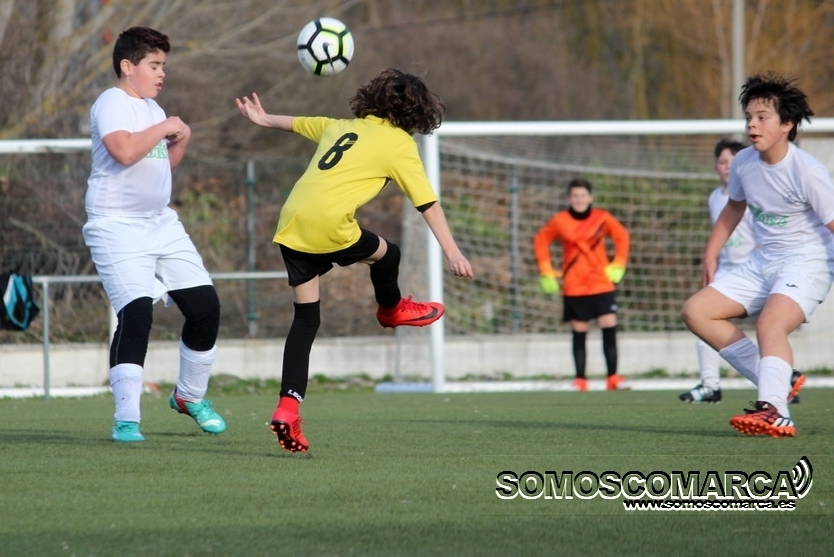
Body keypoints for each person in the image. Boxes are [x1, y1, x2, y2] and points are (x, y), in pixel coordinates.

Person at [235, 68, 474, 453]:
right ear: (417, 111)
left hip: (291, 221)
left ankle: (287, 408)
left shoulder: (340, 126)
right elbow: (427, 203)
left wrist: (263, 119)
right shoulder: (399, 143)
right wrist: (453, 251)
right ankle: (391, 310)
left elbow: (298, 123)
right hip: (328, 224)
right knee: (388, 253)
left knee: (306, 320)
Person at [82, 26, 226, 442]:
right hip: (116, 226)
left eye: (164, 66)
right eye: (154, 65)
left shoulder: (153, 109)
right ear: (128, 66)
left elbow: (161, 166)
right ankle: (126, 418)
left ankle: (188, 396)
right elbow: (125, 151)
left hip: (160, 223)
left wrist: (181, 139)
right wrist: (165, 129)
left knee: (206, 307)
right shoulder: (112, 102)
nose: (162, 73)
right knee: (137, 313)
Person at [682, 73, 827, 438]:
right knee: (697, 311)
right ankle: (779, 379)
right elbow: (734, 207)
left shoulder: (807, 171)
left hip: (808, 261)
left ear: (787, 124)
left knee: (770, 324)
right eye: (748, 117)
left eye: (762, 117)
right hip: (764, 261)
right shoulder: (744, 162)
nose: (752, 125)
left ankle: (775, 411)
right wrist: (711, 254)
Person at [533, 178, 631, 392]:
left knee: (609, 325)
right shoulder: (560, 220)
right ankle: (580, 380)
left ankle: (613, 377)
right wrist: (546, 269)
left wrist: (618, 263)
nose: (579, 199)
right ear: (569, 198)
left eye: (583, 195)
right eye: (575, 195)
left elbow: (622, 236)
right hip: (574, 284)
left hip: (601, 283)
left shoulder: (602, 218)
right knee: (579, 330)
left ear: (591, 197)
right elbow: (541, 240)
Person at [679, 139, 756, 404]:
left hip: (753, 270)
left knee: (771, 326)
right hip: (726, 270)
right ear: (716, 167)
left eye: (732, 163)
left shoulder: (753, 196)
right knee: (701, 320)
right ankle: (710, 385)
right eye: (722, 162)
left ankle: (781, 382)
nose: (727, 167)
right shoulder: (714, 197)